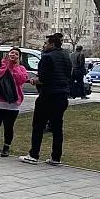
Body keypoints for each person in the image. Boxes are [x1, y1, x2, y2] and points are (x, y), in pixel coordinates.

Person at [20, 34, 72, 165]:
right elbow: (67, 75)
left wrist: (33, 81)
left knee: (38, 125)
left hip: (48, 95)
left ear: (52, 45)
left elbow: (43, 78)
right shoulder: (67, 57)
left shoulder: (47, 57)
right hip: (62, 95)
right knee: (57, 127)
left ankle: (34, 154)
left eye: (46, 43)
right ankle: (56, 157)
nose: (44, 46)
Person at [0, 48, 29, 157]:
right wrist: (6, 65)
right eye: (12, 53)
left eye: (16, 54)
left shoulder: (21, 68)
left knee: (8, 126)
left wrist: (14, 67)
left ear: (19, 57)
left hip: (13, 103)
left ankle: (6, 147)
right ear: (7, 54)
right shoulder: (0, 65)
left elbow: (21, 79)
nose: (13, 55)